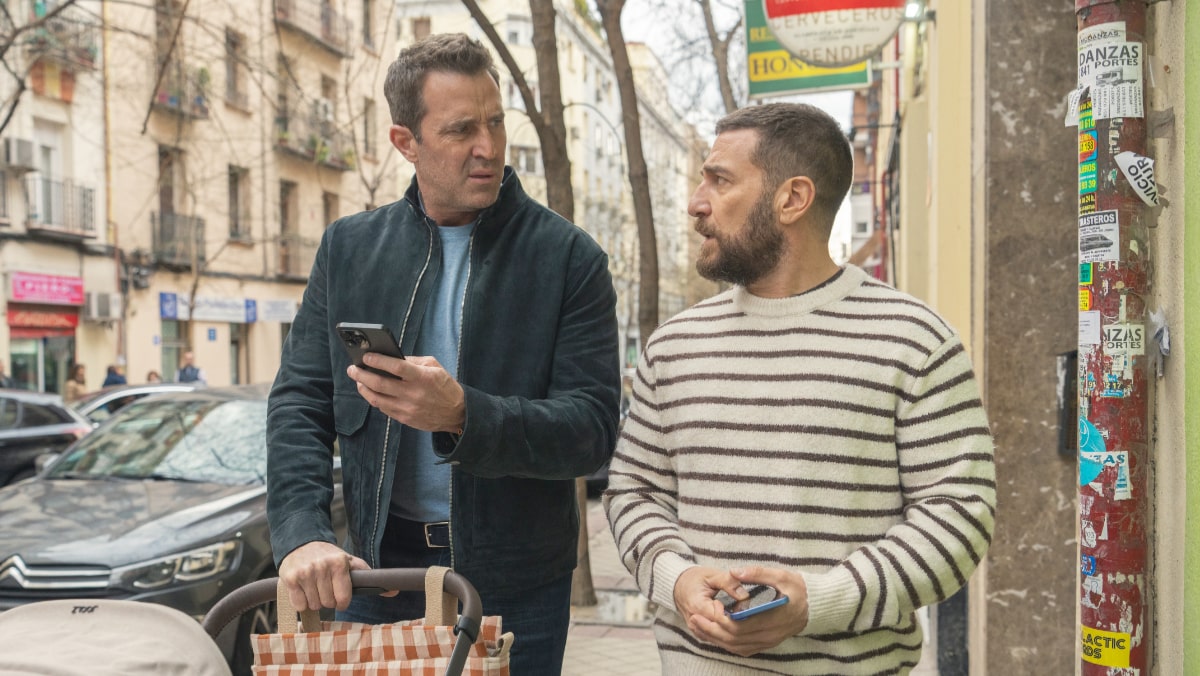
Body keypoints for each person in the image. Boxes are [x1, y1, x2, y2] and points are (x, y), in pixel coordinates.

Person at [266, 33, 620, 675]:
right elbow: (300, 401)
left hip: (515, 586)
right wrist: (302, 532)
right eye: (461, 130)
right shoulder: (348, 247)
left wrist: (463, 415)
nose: (487, 147)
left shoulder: (569, 258)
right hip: (376, 577)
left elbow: (591, 432)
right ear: (407, 142)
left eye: (494, 122)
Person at [603, 103, 996, 674]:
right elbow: (634, 492)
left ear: (792, 199)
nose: (695, 202)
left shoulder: (913, 340)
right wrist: (678, 579)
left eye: (719, 179)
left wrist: (818, 602)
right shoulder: (673, 345)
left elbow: (960, 514)